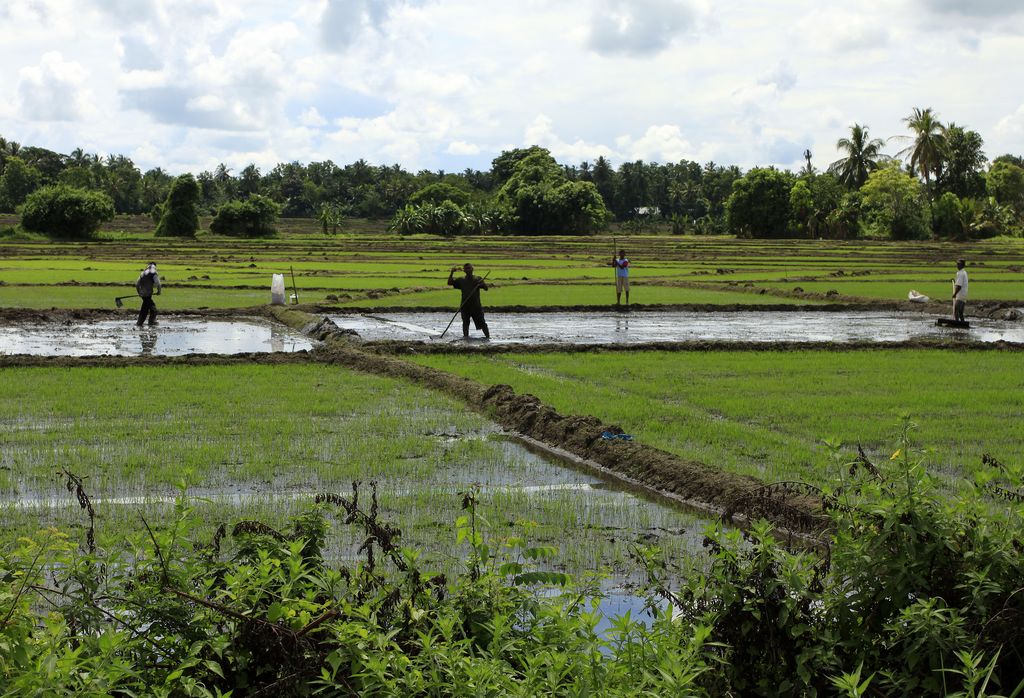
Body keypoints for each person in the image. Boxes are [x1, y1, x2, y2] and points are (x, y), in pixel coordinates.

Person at [448, 263, 489, 338]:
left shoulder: (478, 279)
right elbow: (450, 283)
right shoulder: (461, 280)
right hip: (465, 306)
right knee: (465, 324)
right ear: (464, 271)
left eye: (469, 268)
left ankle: (488, 337)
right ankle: (466, 338)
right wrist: (451, 273)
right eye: (466, 269)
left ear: (472, 269)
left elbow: (486, 288)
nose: (468, 270)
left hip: (476, 306)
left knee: (482, 323)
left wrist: (481, 285)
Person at [135, 261, 161, 327]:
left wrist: (139, 292)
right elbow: (158, 283)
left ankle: (139, 322)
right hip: (148, 294)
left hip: (143, 294)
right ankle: (151, 322)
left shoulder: (143, 273)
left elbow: (137, 284)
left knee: (145, 308)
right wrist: (159, 291)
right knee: (153, 308)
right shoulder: (154, 273)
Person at [952, 258, 968, 322]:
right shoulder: (964, 272)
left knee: (956, 310)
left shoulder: (960, 273)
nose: (957, 265)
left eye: (959, 264)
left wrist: (954, 294)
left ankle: (957, 324)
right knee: (960, 312)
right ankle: (962, 323)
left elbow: (959, 286)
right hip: (964, 295)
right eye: (957, 264)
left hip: (960, 295)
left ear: (962, 265)